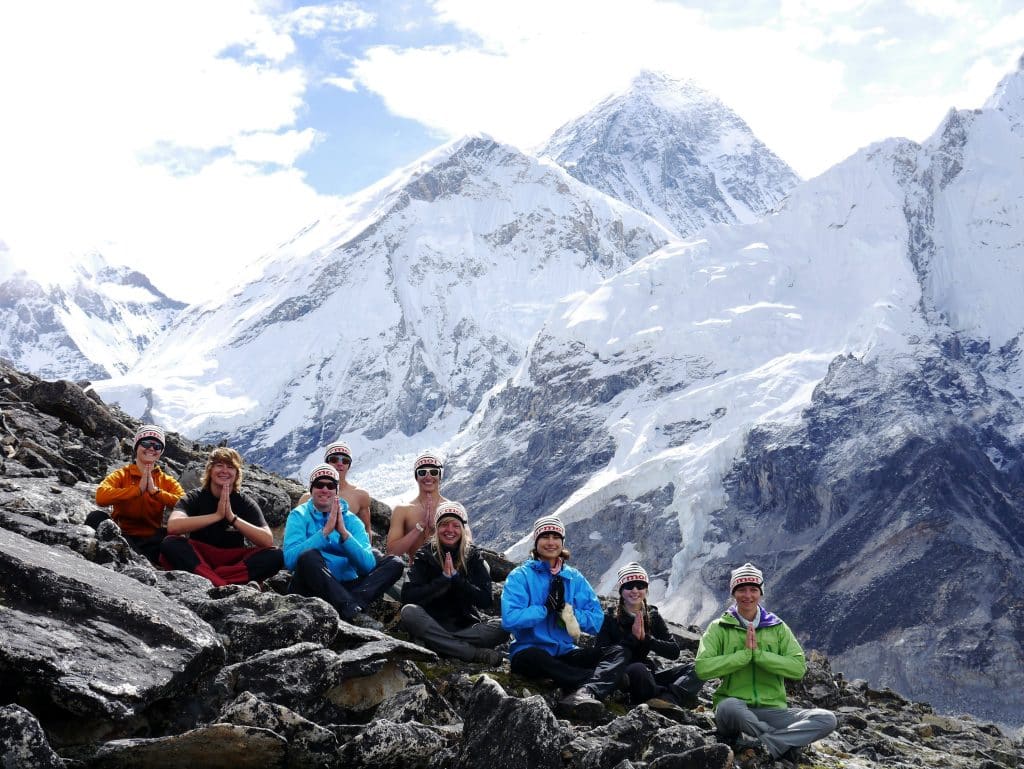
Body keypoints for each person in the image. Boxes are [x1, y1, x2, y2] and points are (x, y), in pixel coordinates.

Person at [695, 563, 837, 763]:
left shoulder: (778, 627)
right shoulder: (719, 628)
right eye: (741, 590)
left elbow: (798, 668)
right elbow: (702, 668)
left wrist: (759, 655)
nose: (748, 595)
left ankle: (765, 743)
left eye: (753, 590)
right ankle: (783, 742)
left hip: (773, 711)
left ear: (760, 593)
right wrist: (743, 657)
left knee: (826, 719)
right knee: (729, 707)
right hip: (735, 711)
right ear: (733, 593)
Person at [501, 515, 626, 720]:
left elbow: (596, 620)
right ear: (536, 542)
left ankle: (585, 682)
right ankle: (596, 682)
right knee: (536, 657)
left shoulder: (574, 578)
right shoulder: (520, 576)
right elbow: (510, 619)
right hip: (528, 651)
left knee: (617, 651)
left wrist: (568, 613)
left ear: (562, 542)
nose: (551, 542)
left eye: (555, 537)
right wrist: (544, 609)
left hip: (565, 651)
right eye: (545, 537)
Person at [283, 463, 403, 626]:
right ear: (311, 489)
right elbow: (290, 560)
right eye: (319, 484)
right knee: (307, 556)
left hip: (348, 585)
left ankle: (351, 604)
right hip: (312, 587)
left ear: (336, 491)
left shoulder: (351, 520)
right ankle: (352, 610)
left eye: (330, 485)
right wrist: (324, 533)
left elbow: (367, 566)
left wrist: (344, 534)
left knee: (394, 563)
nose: (325, 489)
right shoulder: (299, 515)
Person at [399, 500, 508, 666]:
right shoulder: (425, 554)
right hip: (432, 622)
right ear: (437, 527)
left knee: (505, 626)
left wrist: (456, 579)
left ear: (463, 529)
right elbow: (408, 596)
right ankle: (472, 653)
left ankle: (439, 644)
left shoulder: (472, 556)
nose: (450, 530)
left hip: (466, 628)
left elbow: (485, 600)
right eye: (444, 524)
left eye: (455, 525)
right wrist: (442, 579)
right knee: (409, 612)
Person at [158, 447, 284, 587]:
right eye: (219, 465)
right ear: (210, 470)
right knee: (170, 543)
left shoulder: (244, 502)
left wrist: (232, 518)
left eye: (230, 467)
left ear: (236, 474)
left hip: (233, 561)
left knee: (276, 555)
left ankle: (209, 579)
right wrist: (216, 515)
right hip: (201, 556)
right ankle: (226, 584)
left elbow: (267, 541)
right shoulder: (195, 497)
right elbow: (173, 526)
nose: (224, 470)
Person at [597, 562, 700, 712]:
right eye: (629, 586)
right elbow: (601, 653)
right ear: (621, 590)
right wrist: (631, 639)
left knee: (698, 668)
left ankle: (666, 700)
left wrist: (648, 640)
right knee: (638, 669)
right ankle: (664, 698)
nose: (635, 591)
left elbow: (674, 652)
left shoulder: (652, 615)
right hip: (623, 673)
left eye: (640, 586)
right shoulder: (610, 617)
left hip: (648, 672)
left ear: (646, 589)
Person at [91, 424, 184, 563]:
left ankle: (132, 556)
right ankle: (135, 557)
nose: (151, 448)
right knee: (96, 517)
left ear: (161, 452)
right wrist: (137, 491)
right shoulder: (122, 474)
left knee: (177, 536)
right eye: (146, 443)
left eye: (157, 446)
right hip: (121, 534)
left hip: (151, 540)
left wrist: (156, 492)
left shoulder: (166, 480)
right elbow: (101, 496)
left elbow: (184, 503)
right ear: (136, 447)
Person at [296, 442, 373, 536]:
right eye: (334, 459)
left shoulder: (360, 496)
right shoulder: (307, 499)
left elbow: (366, 531)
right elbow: (297, 531)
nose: (340, 464)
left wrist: (366, 551)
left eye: (345, 460)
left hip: (348, 548)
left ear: (349, 465)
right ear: (326, 463)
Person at [386, 451, 449, 559]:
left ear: (440, 476)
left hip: (446, 570)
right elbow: (392, 553)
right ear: (416, 477)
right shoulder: (402, 510)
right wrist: (418, 528)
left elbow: (467, 546)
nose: (428, 477)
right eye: (422, 472)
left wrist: (436, 529)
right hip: (416, 572)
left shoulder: (452, 509)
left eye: (433, 472)